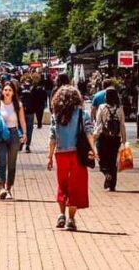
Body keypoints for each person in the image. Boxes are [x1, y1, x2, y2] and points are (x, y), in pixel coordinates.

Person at [47, 86, 97, 232]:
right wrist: (94, 150)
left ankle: (61, 215)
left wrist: (50, 157)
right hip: (77, 154)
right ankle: (71, 219)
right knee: (76, 186)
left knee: (62, 184)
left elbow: (52, 138)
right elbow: (89, 133)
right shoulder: (83, 114)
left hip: (61, 154)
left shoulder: (56, 115)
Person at [0, 83, 28, 200]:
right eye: (5, 90)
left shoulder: (18, 105)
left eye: (10, 90)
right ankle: (2, 188)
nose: (7, 92)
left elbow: (22, 121)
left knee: (11, 163)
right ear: (2, 92)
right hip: (1, 135)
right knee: (2, 161)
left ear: (13, 92)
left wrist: (25, 134)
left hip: (13, 135)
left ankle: (9, 189)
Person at [94, 87, 127, 192]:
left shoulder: (102, 107)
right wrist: (124, 139)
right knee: (113, 161)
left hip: (104, 137)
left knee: (101, 158)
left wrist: (95, 135)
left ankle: (106, 173)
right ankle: (112, 185)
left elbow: (98, 123)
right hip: (115, 139)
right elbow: (122, 125)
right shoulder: (119, 108)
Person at [19, 82, 36, 152]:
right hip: (30, 113)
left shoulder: (21, 94)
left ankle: (21, 143)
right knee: (29, 130)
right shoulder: (32, 94)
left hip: (22, 113)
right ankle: (27, 146)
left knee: (22, 129)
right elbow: (35, 103)